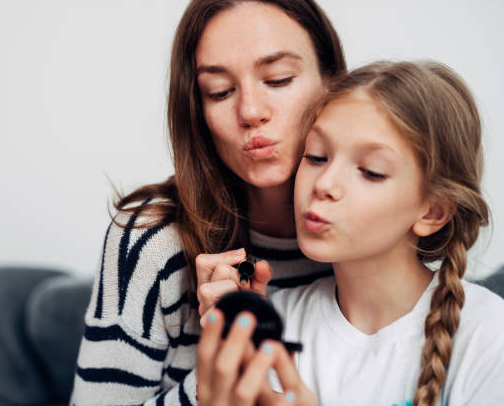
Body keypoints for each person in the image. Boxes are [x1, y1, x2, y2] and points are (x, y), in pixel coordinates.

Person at [69, 0, 346, 405]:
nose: (250, 111)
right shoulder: (151, 240)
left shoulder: (373, 238)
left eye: (279, 79)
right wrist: (214, 379)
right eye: (219, 92)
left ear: (333, 83)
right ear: (197, 109)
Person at [197, 60, 504, 405]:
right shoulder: (275, 322)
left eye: (371, 172)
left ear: (432, 211)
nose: (325, 184)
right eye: (316, 157)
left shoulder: (490, 336)